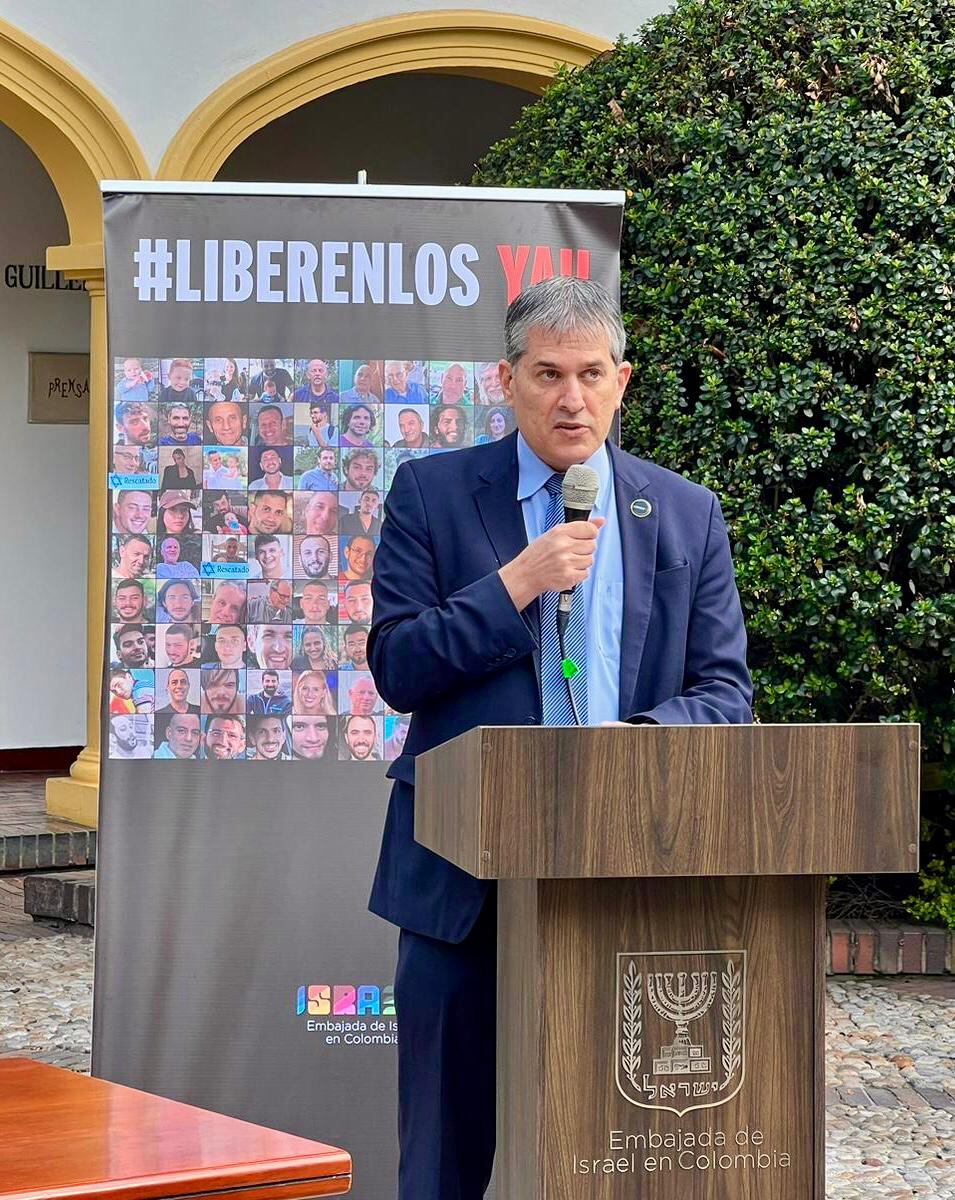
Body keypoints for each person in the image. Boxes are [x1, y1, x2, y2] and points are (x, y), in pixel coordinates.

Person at [366, 275, 752, 1200]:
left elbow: (722, 693)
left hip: (626, 870)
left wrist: (629, 743)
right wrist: (516, 584)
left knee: (613, 1147)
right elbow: (398, 665)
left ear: (621, 381)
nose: (569, 397)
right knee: (443, 1158)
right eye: (547, 374)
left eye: (589, 374)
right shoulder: (432, 493)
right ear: (507, 381)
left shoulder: (686, 513)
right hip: (462, 880)